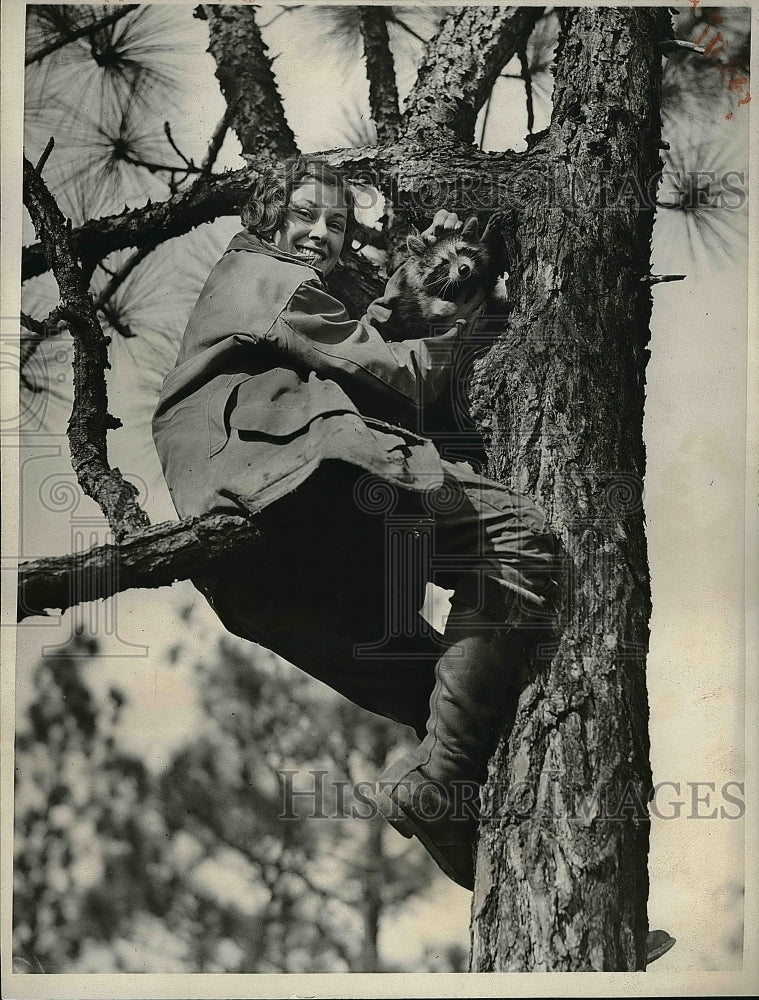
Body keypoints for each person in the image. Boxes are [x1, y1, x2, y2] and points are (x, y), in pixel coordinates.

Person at [152, 156, 564, 891]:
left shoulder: (266, 296)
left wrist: (408, 291)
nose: (321, 234)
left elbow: (358, 357)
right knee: (516, 539)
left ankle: (509, 865)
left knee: (439, 691)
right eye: (305, 214)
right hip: (295, 484)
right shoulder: (262, 275)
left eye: (337, 224)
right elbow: (398, 379)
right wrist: (466, 316)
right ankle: (437, 785)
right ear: (265, 217)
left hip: (253, 562)